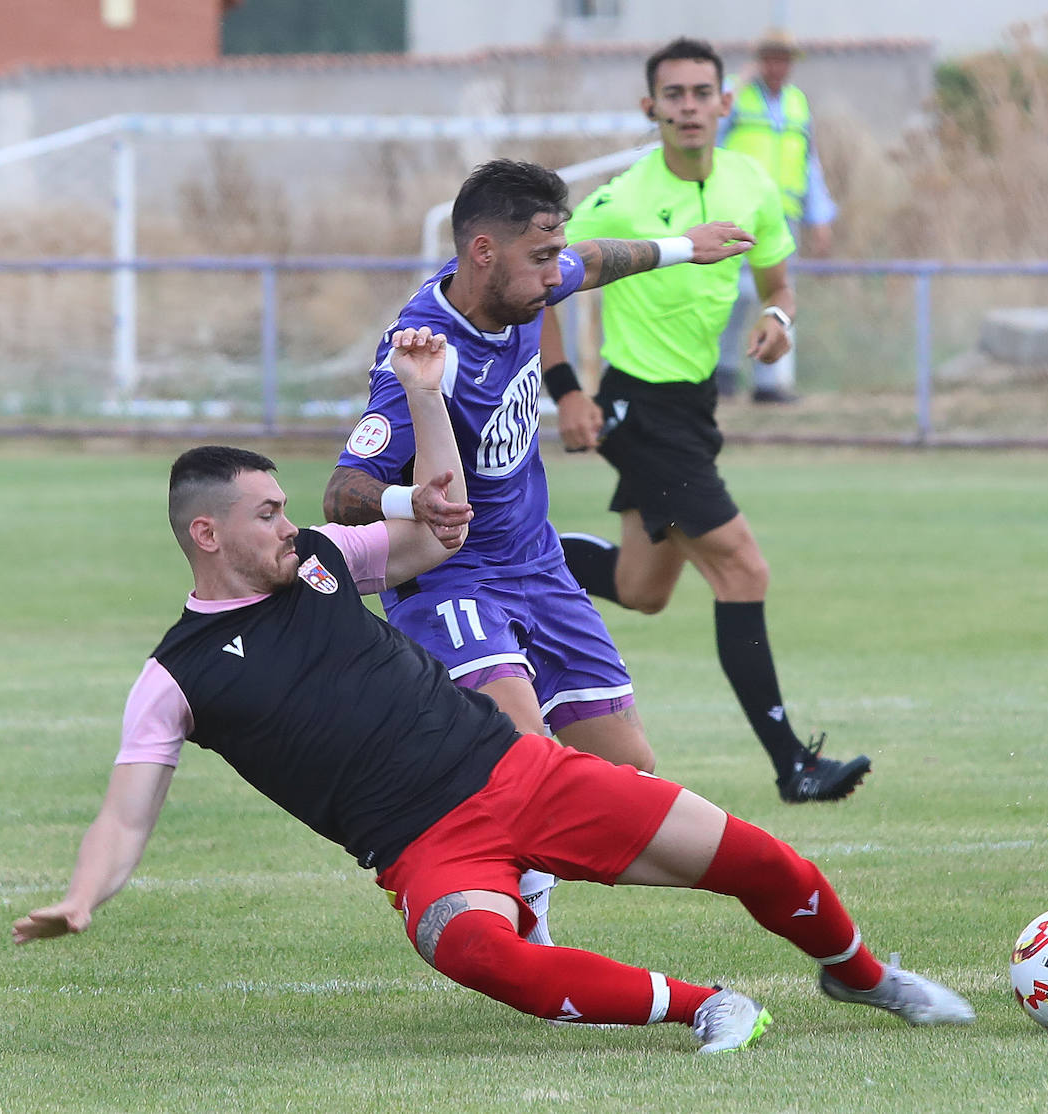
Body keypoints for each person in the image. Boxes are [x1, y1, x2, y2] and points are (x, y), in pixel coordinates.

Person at [11, 373, 976, 1052]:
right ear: (206, 530)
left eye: (283, 507)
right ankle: (707, 1009)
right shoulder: (174, 675)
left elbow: (432, 544)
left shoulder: (321, 557)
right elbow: (124, 814)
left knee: (756, 858)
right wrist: (84, 897)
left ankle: (860, 974)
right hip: (423, 850)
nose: (285, 520)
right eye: (264, 511)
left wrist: (430, 409)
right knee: (472, 948)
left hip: (518, 772)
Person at [323, 158, 755, 943]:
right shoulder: (422, 351)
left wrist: (687, 247)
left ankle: (474, 815)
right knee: (527, 759)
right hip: (454, 582)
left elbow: (600, 259)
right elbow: (343, 490)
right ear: (482, 252)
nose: (556, 273)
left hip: (538, 565)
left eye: (556, 255)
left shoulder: (532, 284)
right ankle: (524, 912)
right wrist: (405, 501)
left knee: (629, 772)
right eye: (541, 257)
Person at [544, 36, 870, 805]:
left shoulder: (752, 183)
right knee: (742, 567)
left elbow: (779, 279)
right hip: (634, 408)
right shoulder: (623, 198)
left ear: (726, 103)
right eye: (674, 94)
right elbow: (545, 283)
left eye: (701, 92)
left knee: (641, 588)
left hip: (693, 408)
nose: (689, 106)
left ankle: (511, 552)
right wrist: (567, 391)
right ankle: (793, 763)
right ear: (650, 108)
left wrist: (781, 317)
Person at [715, 26, 839, 403]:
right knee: (730, 296)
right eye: (770, 58)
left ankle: (770, 382)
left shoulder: (797, 103)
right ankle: (723, 373)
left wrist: (820, 216)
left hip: (782, 217)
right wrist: (739, 81)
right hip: (737, 212)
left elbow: (809, 163)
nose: (777, 66)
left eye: (783, 59)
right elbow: (711, 126)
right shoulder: (737, 96)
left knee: (778, 297)